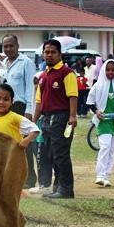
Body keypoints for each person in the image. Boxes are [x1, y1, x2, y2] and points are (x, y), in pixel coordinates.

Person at [32, 39, 78, 199]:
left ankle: (66, 189)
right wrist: (33, 121)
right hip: (46, 119)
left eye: (53, 52)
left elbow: (73, 95)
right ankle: (58, 187)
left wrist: (72, 116)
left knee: (61, 154)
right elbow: (39, 101)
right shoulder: (43, 76)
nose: (49, 55)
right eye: (47, 52)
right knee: (51, 154)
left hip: (61, 117)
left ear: (60, 54)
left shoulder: (67, 73)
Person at [2, 34, 38, 188]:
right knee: (10, 145)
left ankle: (29, 179)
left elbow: (31, 89)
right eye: (5, 46)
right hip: (6, 107)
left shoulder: (26, 63)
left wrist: (29, 111)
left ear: (17, 46)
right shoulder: (3, 63)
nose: (8, 49)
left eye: (11, 45)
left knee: (25, 145)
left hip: (21, 107)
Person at [86, 59, 114, 187]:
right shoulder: (98, 85)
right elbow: (90, 102)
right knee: (105, 146)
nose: (110, 72)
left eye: (113, 70)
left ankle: (107, 176)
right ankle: (100, 175)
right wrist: (97, 112)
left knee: (113, 149)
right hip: (104, 121)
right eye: (108, 70)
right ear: (104, 70)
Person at [0, 83, 39, 148]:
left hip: (11, 157)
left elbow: (35, 130)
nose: (1, 102)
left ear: (11, 102)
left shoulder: (16, 118)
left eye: (6, 99)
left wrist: (26, 140)